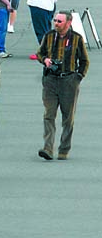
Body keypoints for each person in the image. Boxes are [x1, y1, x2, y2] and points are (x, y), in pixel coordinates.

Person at [36, 11, 89, 161]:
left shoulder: (77, 39)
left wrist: (78, 78)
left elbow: (85, 61)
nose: (56, 23)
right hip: (50, 81)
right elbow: (39, 53)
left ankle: (64, 149)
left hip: (69, 81)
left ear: (68, 23)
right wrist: (45, 60)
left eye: (59, 21)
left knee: (68, 117)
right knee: (49, 115)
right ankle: (47, 148)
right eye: (55, 20)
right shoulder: (49, 36)